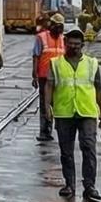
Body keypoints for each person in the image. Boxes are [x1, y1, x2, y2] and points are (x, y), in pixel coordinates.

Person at [51, 27, 101, 202]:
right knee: (66, 151)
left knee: (88, 147)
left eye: (77, 44)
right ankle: (69, 185)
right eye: (71, 43)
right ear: (65, 43)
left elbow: (98, 88)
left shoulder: (92, 63)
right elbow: (48, 86)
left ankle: (90, 186)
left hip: (87, 112)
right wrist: (46, 107)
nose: (74, 46)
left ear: (82, 45)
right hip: (64, 112)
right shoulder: (56, 63)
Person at [31, 13, 66, 142]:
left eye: (61, 26)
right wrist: (34, 75)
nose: (59, 29)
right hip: (44, 77)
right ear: (51, 25)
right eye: (57, 26)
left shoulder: (63, 38)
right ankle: (45, 131)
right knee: (45, 104)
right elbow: (36, 56)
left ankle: (57, 129)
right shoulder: (41, 37)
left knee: (58, 104)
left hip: (60, 77)